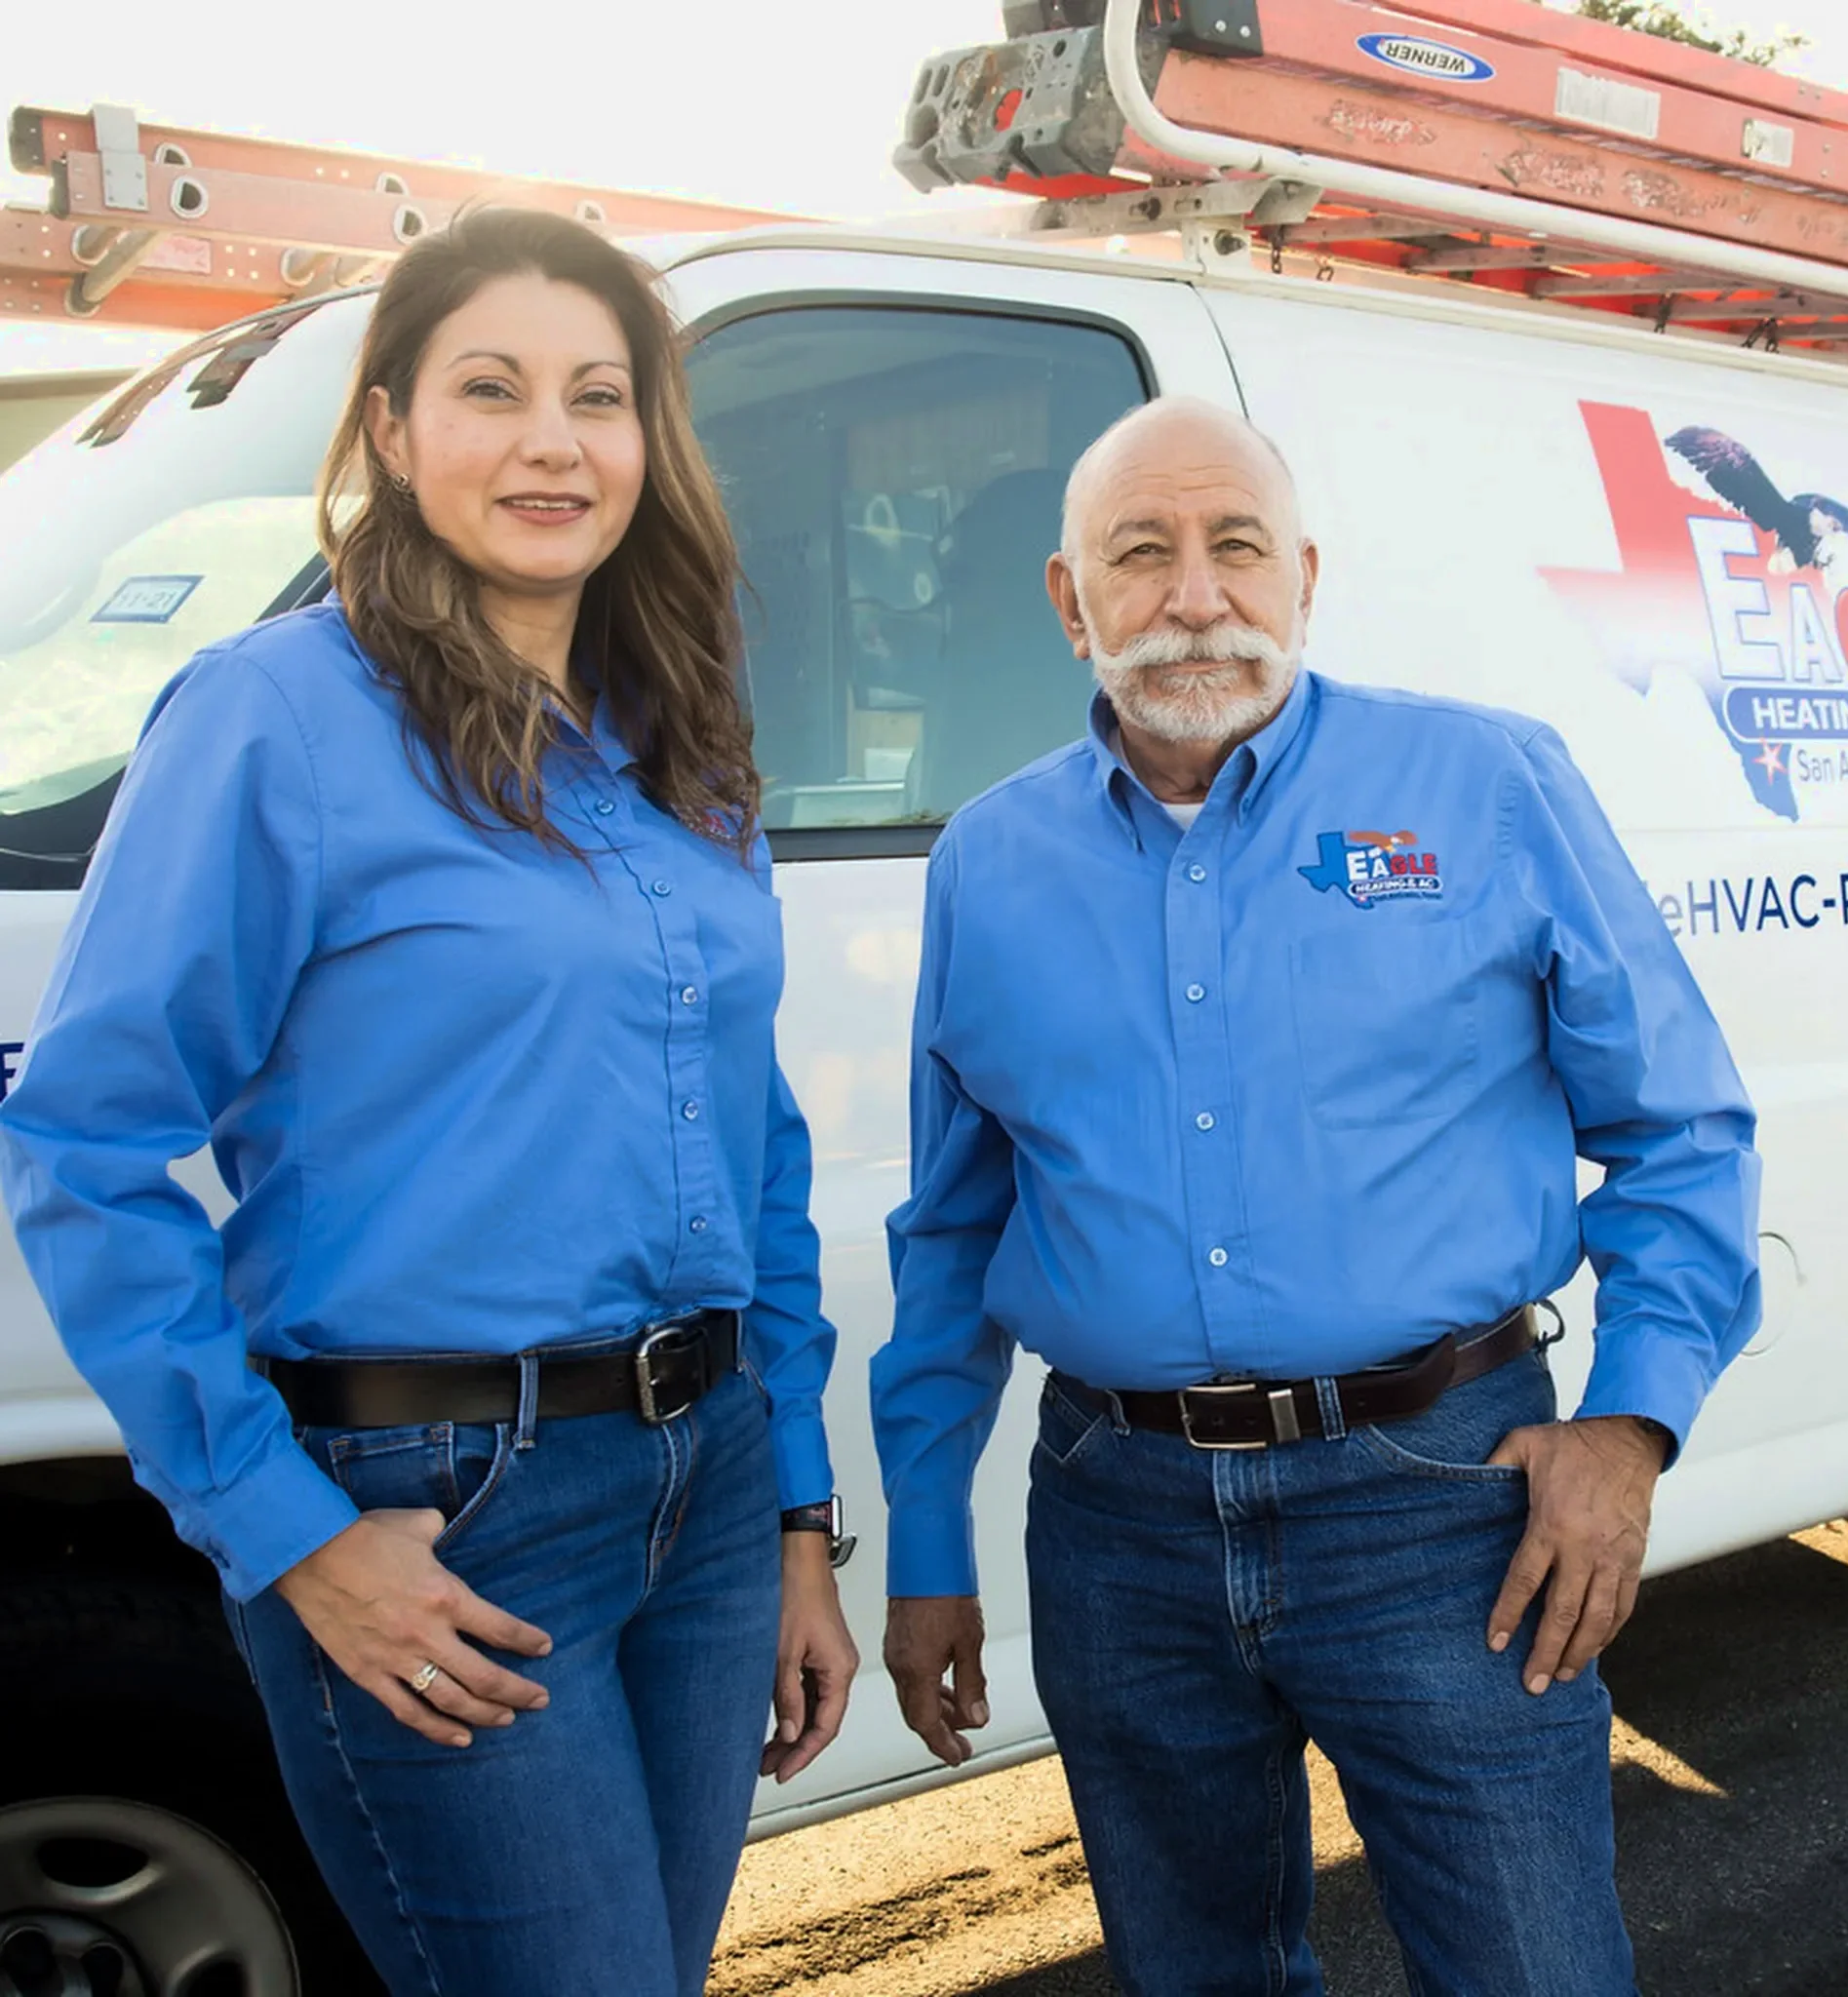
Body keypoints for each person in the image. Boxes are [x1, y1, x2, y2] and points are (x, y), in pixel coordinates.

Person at [0, 208, 858, 1996]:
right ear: (392, 429)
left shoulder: (682, 740)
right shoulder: (273, 718)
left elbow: (756, 1146)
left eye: (598, 397)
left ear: (648, 441)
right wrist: (291, 1540)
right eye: (492, 390)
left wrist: (794, 1514)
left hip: (701, 1487)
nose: (553, 443)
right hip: (445, 1507)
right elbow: (82, 1139)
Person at [871, 396, 1759, 1995]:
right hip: (1118, 1524)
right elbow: (952, 1229)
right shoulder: (988, 863)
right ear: (1069, 600)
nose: (1194, 595)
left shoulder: (1487, 785)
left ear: (1305, 576)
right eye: (1139, 554)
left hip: (1444, 1504)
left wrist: (1630, 1431)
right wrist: (926, 1539)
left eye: (1237, 547)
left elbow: (1682, 1127)